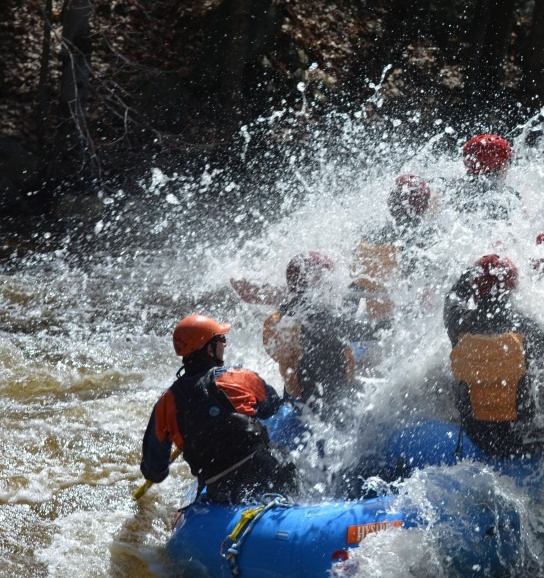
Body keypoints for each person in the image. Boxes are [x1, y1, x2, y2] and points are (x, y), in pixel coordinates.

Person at [140, 314, 297, 504]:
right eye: (221, 339)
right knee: (287, 457)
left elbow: (154, 471)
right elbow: (273, 409)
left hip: (219, 487)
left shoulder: (165, 404)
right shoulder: (241, 377)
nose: (225, 344)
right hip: (263, 471)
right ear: (209, 349)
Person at [443, 254, 544, 458]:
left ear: (475, 288)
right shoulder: (532, 328)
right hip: (526, 442)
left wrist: (475, 272)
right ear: (513, 288)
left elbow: (453, 296)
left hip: (478, 437)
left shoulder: (457, 322)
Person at [262, 251, 389, 418]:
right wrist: (393, 322)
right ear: (315, 281)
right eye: (328, 278)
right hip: (326, 407)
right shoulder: (324, 320)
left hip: (295, 398)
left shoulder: (278, 318)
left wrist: (357, 287)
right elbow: (365, 331)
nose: (333, 285)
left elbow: (334, 321)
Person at [351, 174, 438, 319]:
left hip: (373, 316)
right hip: (411, 317)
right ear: (424, 206)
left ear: (391, 202)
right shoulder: (432, 236)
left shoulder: (370, 236)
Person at [448, 134, 522, 221]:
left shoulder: (455, 192)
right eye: (506, 163)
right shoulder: (509, 197)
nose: (507, 168)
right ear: (496, 166)